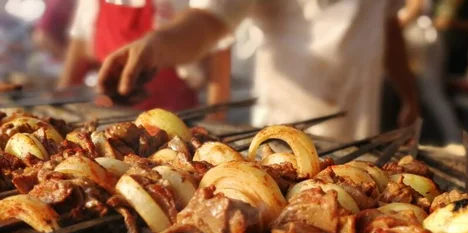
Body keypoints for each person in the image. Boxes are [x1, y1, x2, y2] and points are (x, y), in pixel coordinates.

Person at [96, 0, 420, 140]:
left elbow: (389, 26)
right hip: (283, 137)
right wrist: (157, 45)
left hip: (361, 130)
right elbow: (208, 22)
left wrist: (410, 96)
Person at [59, 0, 231, 112]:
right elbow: (80, 47)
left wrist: (216, 116)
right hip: (109, 118)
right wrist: (61, 104)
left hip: (175, 117)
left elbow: (218, 44)